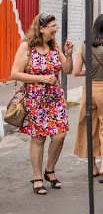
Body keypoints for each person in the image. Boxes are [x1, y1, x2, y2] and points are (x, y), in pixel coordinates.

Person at [11, 13, 73, 194]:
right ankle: (38, 176)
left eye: (56, 26)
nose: (55, 29)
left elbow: (67, 70)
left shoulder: (54, 48)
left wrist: (68, 55)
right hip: (35, 99)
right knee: (38, 138)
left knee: (60, 135)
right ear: (40, 28)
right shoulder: (27, 47)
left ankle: (50, 170)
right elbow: (15, 73)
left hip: (55, 99)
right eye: (52, 26)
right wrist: (42, 78)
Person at [73, 14, 103, 183]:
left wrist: (92, 73)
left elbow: (76, 72)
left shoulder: (84, 45)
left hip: (88, 89)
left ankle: (92, 167)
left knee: (89, 126)